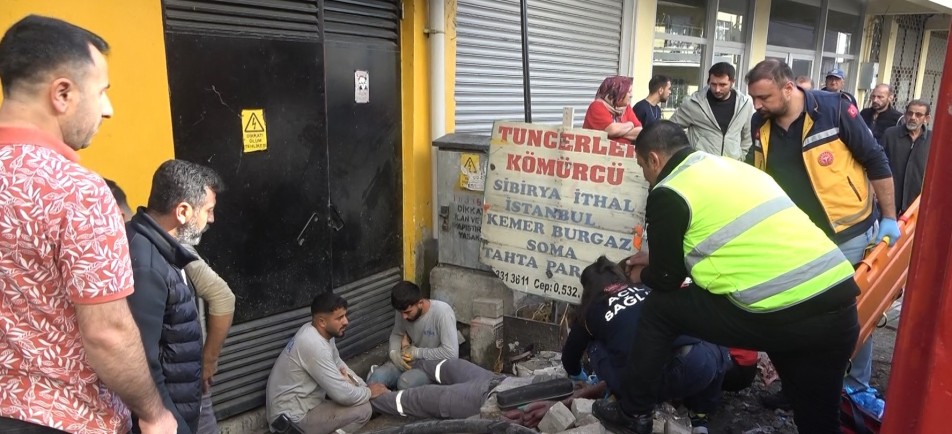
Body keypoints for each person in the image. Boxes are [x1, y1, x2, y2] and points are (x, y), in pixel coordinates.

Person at [592, 120, 861, 434]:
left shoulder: (670, 190)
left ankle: (633, 412)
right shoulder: (734, 169)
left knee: (660, 311)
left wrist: (643, 273)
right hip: (838, 303)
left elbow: (666, 278)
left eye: (642, 166)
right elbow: (733, 238)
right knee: (818, 418)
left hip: (781, 312)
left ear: (654, 159)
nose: (645, 175)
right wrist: (658, 257)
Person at [0, 15, 176, 434]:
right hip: (68, 419)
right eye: (102, 93)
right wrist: (154, 414)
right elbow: (108, 334)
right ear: (62, 93)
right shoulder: (76, 191)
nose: (109, 110)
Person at [746, 59, 899, 401]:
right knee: (796, 313)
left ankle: (853, 388)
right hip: (794, 238)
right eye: (754, 98)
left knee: (851, 315)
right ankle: (796, 386)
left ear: (789, 88)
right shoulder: (761, 122)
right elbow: (755, 172)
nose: (757, 105)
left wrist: (888, 216)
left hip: (846, 232)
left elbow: (876, 160)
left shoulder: (834, 110)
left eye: (763, 97)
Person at [106, 179, 236, 434]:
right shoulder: (137, 254)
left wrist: (207, 361)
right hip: (168, 395)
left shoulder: (163, 249)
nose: (211, 220)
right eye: (207, 210)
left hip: (177, 389)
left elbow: (223, 297)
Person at [563, 257, 729, 433]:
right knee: (709, 339)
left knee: (596, 343)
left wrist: (580, 377)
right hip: (701, 367)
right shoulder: (646, 289)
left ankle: (623, 404)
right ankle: (700, 418)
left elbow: (570, 358)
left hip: (650, 384)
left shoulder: (590, 311)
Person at [266, 293, 389, 434]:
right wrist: (368, 392)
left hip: (308, 406)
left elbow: (339, 364)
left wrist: (362, 385)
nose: (346, 321)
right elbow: (342, 394)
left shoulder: (321, 333)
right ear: (322, 322)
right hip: (292, 420)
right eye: (339, 318)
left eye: (345, 315)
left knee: (358, 398)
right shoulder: (313, 344)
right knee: (363, 410)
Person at [367, 281, 460, 390]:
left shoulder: (442, 313)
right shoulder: (403, 311)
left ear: (420, 303)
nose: (404, 317)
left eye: (408, 312)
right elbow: (397, 333)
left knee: (405, 383)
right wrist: (394, 353)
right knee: (376, 378)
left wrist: (416, 352)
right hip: (410, 361)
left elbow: (451, 354)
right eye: (401, 312)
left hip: (432, 366)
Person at [370, 358, 505, 420]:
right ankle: (414, 365)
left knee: (424, 397)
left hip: (485, 399)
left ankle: (374, 400)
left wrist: (365, 393)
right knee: (453, 365)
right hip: (499, 381)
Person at [670, 62, 753, 160]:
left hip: (731, 167)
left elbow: (747, 136)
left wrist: (741, 157)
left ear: (732, 82)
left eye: (722, 85)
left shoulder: (745, 104)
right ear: (708, 81)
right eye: (713, 84)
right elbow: (670, 128)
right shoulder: (693, 103)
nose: (717, 89)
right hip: (700, 166)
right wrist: (686, 153)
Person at [881, 99, 933, 215]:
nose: (913, 117)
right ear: (905, 115)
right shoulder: (890, 134)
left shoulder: (933, 140)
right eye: (910, 113)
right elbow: (879, 163)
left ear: (926, 118)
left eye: (918, 115)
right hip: (890, 200)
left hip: (916, 203)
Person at [582, 75, 643, 145]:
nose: (631, 95)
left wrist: (617, 133)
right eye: (629, 92)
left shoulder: (626, 108)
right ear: (617, 92)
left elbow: (639, 131)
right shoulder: (597, 106)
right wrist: (630, 124)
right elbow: (612, 130)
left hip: (621, 153)